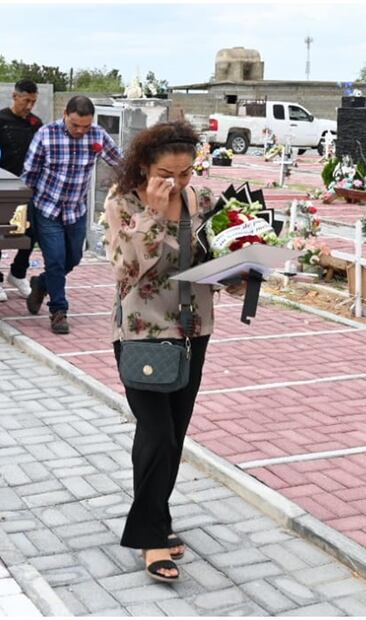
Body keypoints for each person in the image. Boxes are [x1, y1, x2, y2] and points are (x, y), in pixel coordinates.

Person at [103, 120, 240, 583]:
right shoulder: (122, 203)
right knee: (156, 432)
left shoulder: (198, 200)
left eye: (185, 173)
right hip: (142, 331)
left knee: (175, 435)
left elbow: (206, 260)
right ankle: (151, 538)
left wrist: (240, 270)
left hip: (192, 328)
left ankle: (157, 521)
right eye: (167, 172)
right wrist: (155, 216)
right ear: (144, 164)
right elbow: (127, 269)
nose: (177, 183)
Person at [22, 95, 122, 334]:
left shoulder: (97, 135)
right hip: (47, 208)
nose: (80, 130)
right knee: (55, 260)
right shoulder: (46, 135)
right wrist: (24, 211)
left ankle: (41, 283)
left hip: (76, 210)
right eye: (75, 125)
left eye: (85, 126)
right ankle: (59, 311)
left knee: (73, 258)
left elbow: (120, 161)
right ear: (65, 115)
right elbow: (29, 175)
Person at [0, 79, 42, 301]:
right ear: (15, 97)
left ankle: (18, 271)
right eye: (26, 101)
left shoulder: (36, 124)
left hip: (27, 187)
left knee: (32, 231)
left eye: (33, 101)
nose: (29, 106)